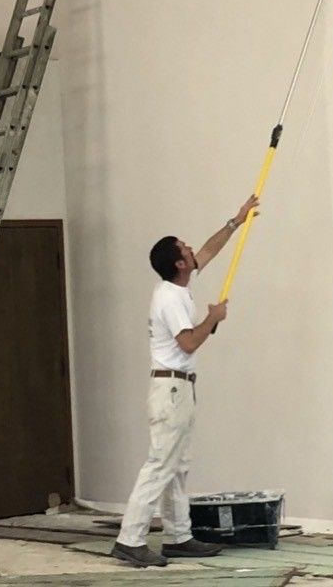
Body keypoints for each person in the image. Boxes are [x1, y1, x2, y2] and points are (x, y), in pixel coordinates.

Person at [111, 194, 261, 568]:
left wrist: (237, 221)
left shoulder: (177, 286)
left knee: (177, 466)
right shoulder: (170, 300)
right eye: (185, 248)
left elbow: (210, 250)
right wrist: (213, 318)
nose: (193, 249)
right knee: (160, 465)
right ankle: (130, 540)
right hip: (171, 389)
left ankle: (178, 537)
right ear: (180, 263)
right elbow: (190, 342)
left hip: (179, 387)